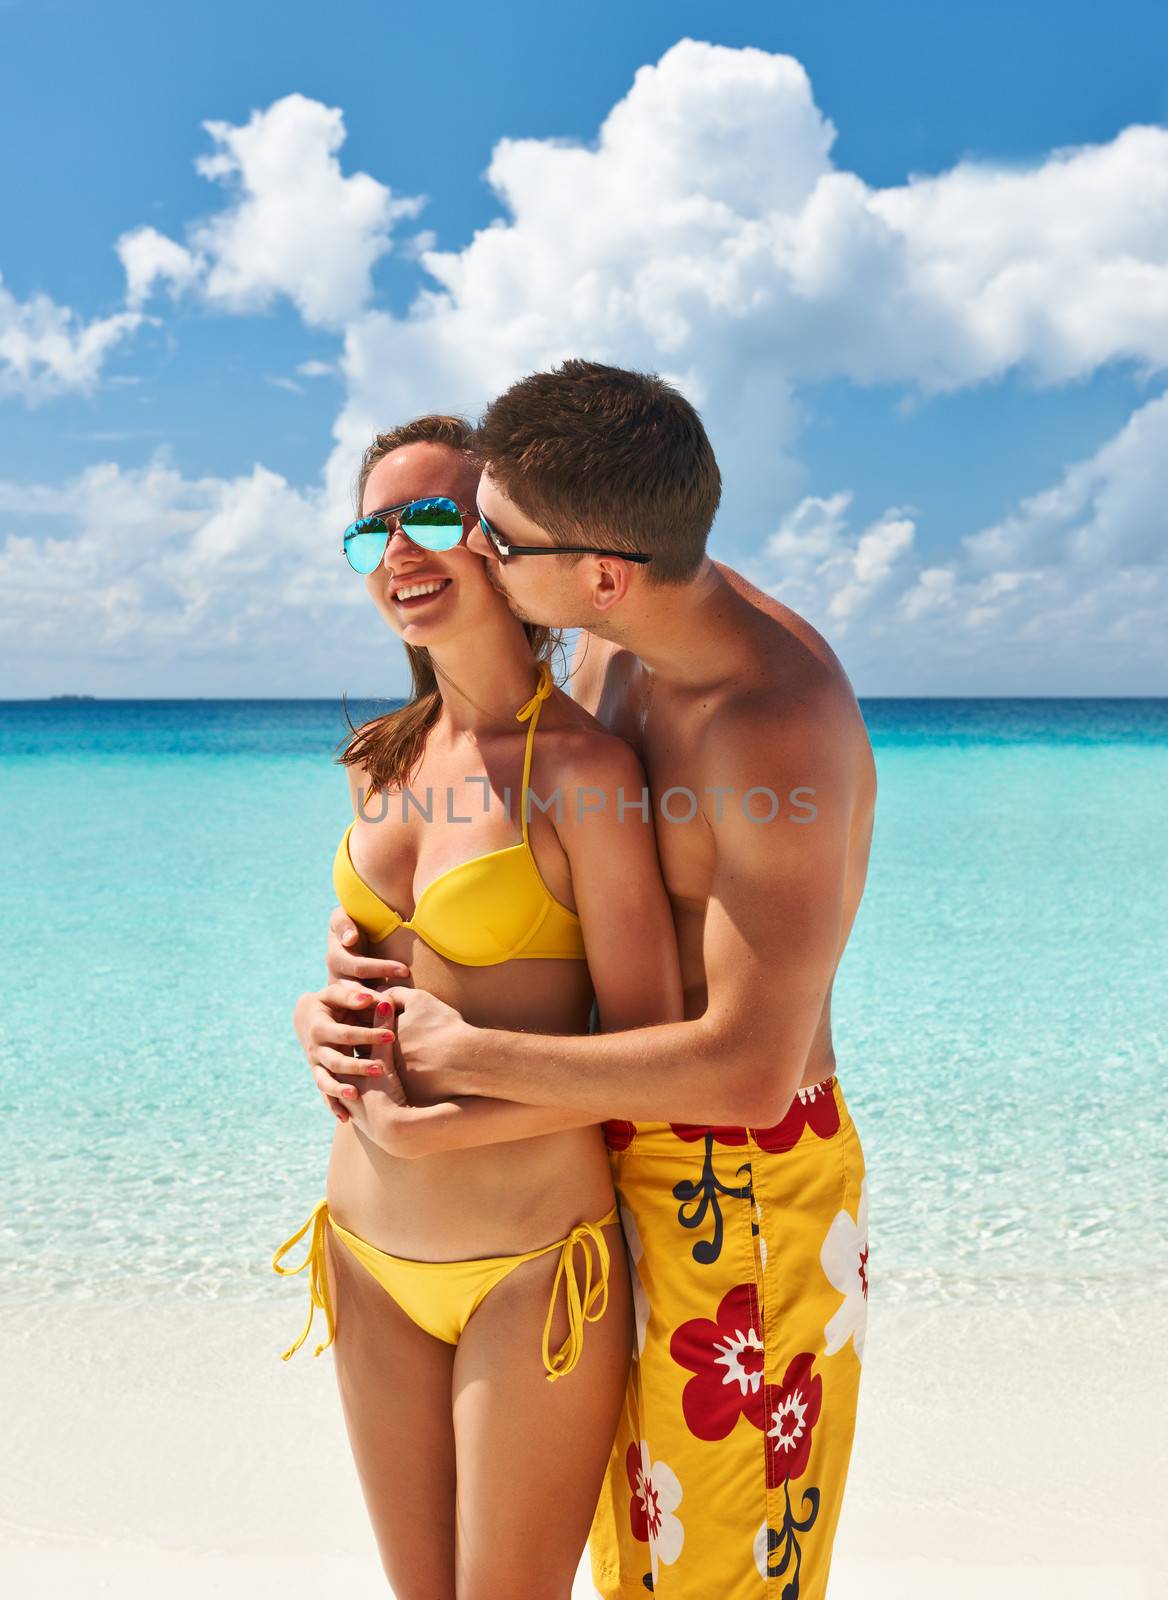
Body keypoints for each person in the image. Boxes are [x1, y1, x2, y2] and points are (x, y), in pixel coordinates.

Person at [299, 362, 876, 1600]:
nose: (465, 557)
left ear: (596, 573)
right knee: (624, 1566)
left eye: (487, 535)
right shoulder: (618, 657)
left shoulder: (771, 724)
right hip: (596, 1160)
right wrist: (341, 1003)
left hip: (744, 1187)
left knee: (717, 1581)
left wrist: (462, 1059)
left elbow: (746, 1068)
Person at [274, 412, 684, 1600]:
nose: (399, 548)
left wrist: (435, 1128)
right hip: (360, 1254)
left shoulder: (584, 773)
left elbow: (651, 1057)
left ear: (504, 543)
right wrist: (310, 1017)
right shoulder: (375, 757)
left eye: (435, 516)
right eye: (371, 530)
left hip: (530, 1268)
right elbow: (364, 970)